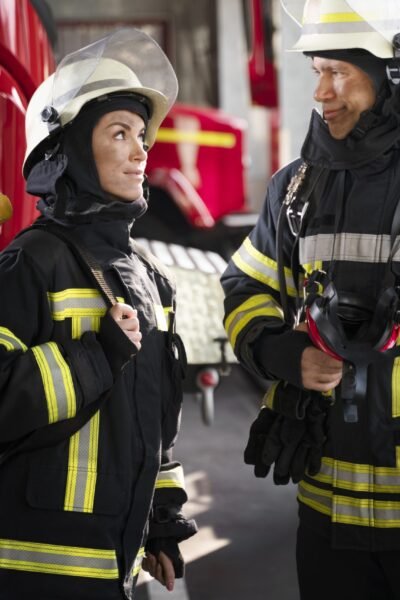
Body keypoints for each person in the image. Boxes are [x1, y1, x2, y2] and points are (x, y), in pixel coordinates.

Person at [0, 28, 197, 600]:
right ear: (72, 153)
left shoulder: (148, 278)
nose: (141, 151)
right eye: (119, 134)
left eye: (141, 135)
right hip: (36, 571)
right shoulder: (28, 264)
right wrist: (95, 357)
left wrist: (162, 520)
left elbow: (157, 426)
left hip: (118, 568)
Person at [221, 1, 400, 598]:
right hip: (326, 519)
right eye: (316, 71)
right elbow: (244, 285)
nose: (320, 91)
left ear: (390, 76)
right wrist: (281, 352)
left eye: (339, 73)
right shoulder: (294, 189)